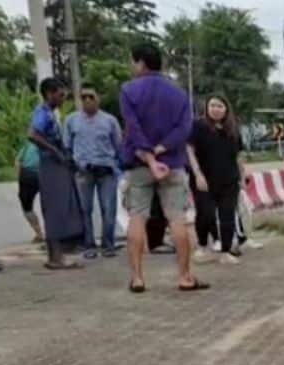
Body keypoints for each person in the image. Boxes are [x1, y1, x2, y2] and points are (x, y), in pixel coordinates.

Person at [120, 42, 206, 293]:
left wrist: (148, 156)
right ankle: (185, 276)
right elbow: (184, 129)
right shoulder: (179, 93)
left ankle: (137, 278)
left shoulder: (128, 90)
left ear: (140, 63)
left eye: (133, 62)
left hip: (139, 164)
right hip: (172, 163)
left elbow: (132, 128)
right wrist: (161, 149)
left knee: (137, 217)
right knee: (177, 219)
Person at [29, 77, 84, 269]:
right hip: (50, 165)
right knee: (54, 209)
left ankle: (58, 255)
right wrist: (54, 151)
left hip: (58, 164)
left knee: (61, 209)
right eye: (60, 95)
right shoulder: (42, 113)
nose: (63, 99)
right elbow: (33, 134)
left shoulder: (53, 114)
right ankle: (54, 257)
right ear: (50, 94)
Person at [187, 95, 246, 265]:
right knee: (206, 213)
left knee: (227, 215)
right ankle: (202, 246)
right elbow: (189, 150)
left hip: (229, 179)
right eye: (212, 105)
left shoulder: (232, 129)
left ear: (226, 109)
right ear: (207, 108)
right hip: (204, 180)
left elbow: (239, 155)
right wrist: (197, 174)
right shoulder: (198, 126)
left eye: (220, 106)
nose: (216, 109)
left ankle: (225, 251)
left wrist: (242, 176)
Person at [66, 86, 122, 259]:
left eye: (91, 96)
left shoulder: (110, 121)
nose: (87, 100)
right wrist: (74, 165)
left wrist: (118, 168)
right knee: (84, 209)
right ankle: (89, 244)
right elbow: (67, 146)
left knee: (108, 208)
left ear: (98, 98)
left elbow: (118, 145)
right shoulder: (71, 120)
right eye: (83, 97)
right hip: (84, 171)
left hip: (106, 171)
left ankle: (108, 245)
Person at [15, 141, 44, 244]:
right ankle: (41, 233)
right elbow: (18, 161)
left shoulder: (28, 145)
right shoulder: (44, 145)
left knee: (27, 207)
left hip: (28, 175)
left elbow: (18, 161)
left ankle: (39, 233)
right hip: (39, 175)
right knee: (48, 205)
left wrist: (19, 178)